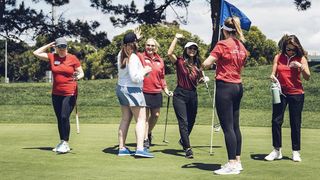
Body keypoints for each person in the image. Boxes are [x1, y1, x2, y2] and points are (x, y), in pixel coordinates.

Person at [202, 16, 248, 175]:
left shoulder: (221, 44)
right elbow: (241, 65)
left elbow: (206, 64)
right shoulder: (241, 46)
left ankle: (232, 164)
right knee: (235, 126)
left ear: (224, 30)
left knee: (227, 127)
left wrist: (210, 61)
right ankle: (238, 161)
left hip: (225, 87)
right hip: (237, 86)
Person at [33, 37, 84, 154]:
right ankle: (62, 142)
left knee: (64, 116)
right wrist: (49, 44)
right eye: (59, 46)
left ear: (67, 47)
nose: (62, 49)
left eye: (64, 46)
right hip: (56, 93)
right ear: (55, 47)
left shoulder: (73, 58)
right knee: (59, 119)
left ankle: (65, 143)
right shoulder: (52, 57)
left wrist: (77, 77)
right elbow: (36, 52)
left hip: (70, 92)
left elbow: (81, 73)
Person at [264, 34, 310, 162]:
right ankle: (276, 150)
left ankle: (296, 152)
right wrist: (273, 76)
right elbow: (273, 73)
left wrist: (300, 67)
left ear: (297, 49)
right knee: (276, 121)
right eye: (288, 49)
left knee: (295, 123)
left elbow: (308, 76)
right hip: (280, 92)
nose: (290, 52)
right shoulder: (278, 57)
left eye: (293, 50)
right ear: (284, 47)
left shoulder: (301, 58)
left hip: (296, 94)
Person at [116, 30, 154, 158]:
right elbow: (135, 77)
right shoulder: (133, 57)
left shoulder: (120, 54)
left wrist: (134, 37)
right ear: (135, 44)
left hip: (121, 89)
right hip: (133, 90)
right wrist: (145, 70)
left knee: (126, 118)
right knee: (141, 119)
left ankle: (122, 148)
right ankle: (139, 148)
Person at [167, 33, 204, 159]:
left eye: (194, 49)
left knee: (192, 120)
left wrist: (202, 80)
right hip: (180, 95)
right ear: (186, 50)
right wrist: (176, 38)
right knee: (183, 121)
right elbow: (169, 53)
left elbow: (197, 80)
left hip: (193, 95)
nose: (192, 50)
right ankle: (187, 148)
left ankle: (183, 140)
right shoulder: (180, 61)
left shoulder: (198, 64)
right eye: (190, 48)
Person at [138, 38, 173, 149]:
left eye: (152, 45)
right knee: (144, 117)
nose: (150, 47)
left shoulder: (160, 60)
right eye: (148, 45)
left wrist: (166, 89)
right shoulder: (140, 57)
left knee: (156, 115)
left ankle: (147, 133)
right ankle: (145, 140)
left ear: (156, 47)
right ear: (145, 46)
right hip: (143, 91)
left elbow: (162, 77)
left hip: (156, 91)